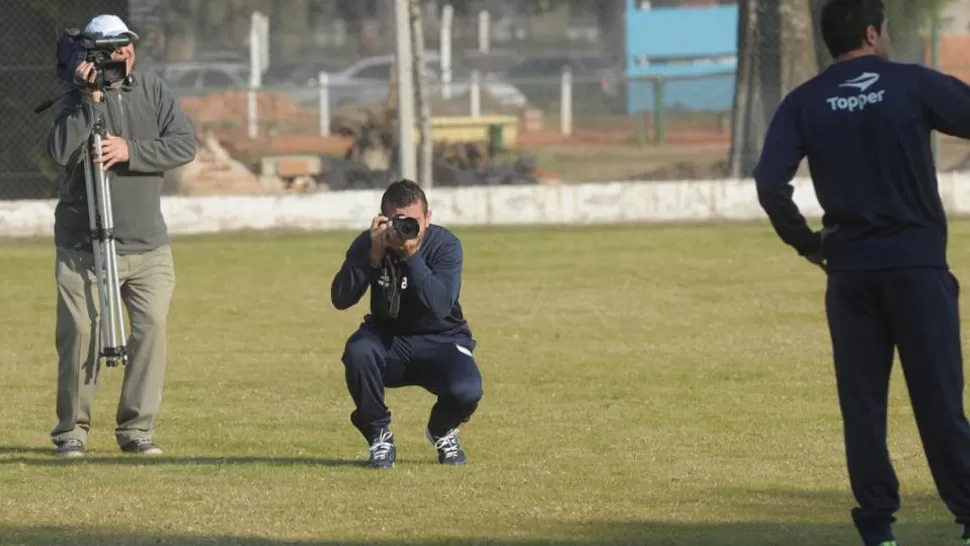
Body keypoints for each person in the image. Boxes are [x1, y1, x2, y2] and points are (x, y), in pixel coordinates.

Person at [753, 0, 970, 544]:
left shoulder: (804, 101)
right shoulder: (911, 84)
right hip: (917, 269)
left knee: (864, 405)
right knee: (939, 400)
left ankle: (878, 528)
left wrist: (806, 244)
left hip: (849, 275)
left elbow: (768, 183)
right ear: (873, 33)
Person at [44, 14, 198, 457]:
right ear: (94, 52)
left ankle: (136, 431)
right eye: (114, 47)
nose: (124, 53)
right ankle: (71, 431)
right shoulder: (73, 99)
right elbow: (59, 153)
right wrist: (88, 101)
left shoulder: (151, 90)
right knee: (79, 335)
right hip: (83, 247)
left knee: (150, 332)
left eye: (128, 44)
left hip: (148, 245)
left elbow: (184, 144)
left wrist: (132, 152)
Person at [330, 179, 484, 469]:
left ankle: (442, 429)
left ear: (428, 218)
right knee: (359, 350)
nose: (406, 229)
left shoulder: (445, 246)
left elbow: (440, 307)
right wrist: (372, 258)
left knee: (467, 390)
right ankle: (378, 436)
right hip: (388, 341)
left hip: (443, 339)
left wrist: (412, 257)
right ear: (383, 219)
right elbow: (340, 298)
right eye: (398, 221)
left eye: (414, 221)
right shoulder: (369, 243)